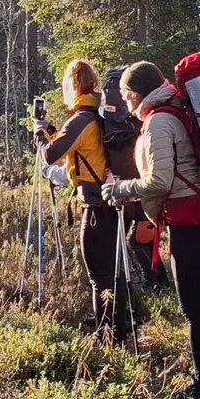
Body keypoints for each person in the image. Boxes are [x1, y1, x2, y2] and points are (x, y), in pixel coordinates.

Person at [102, 61, 200, 399]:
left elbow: (159, 181)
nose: (124, 101)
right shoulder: (172, 112)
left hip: (188, 222)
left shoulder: (158, 122)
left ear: (136, 92)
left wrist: (121, 190)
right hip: (196, 218)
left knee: (194, 309)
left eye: (125, 94)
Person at [39, 59, 135, 338]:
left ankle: (106, 336)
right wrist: (51, 131)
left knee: (99, 276)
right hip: (117, 200)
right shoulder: (102, 114)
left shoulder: (82, 118)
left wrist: (38, 134)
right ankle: (120, 330)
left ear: (73, 84)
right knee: (114, 270)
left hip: (96, 205)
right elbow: (81, 147)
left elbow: (50, 154)